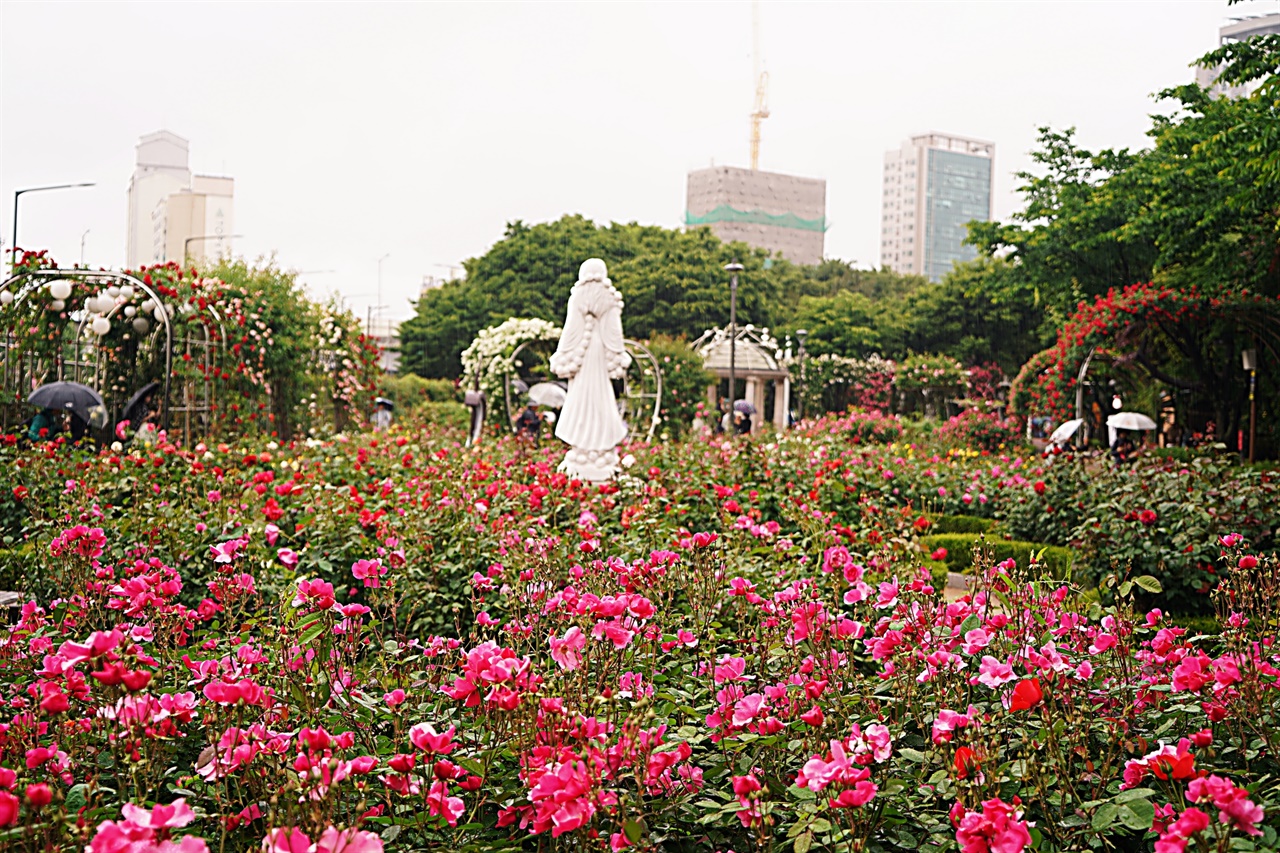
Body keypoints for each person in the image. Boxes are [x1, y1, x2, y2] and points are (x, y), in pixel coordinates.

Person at [549, 258, 631, 480]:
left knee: (581, 396)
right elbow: (614, 333)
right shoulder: (609, 297)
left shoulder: (578, 296)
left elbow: (571, 329)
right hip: (599, 353)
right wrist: (616, 354)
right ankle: (601, 445)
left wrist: (564, 354)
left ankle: (582, 445)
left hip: (583, 353)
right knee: (601, 397)